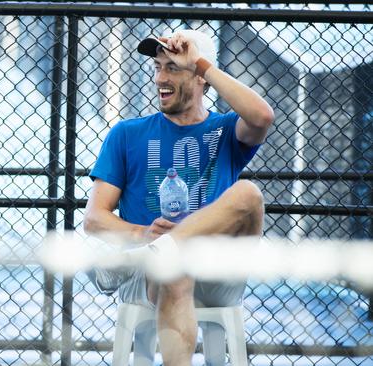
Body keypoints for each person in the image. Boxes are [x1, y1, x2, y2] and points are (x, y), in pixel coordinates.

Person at [83, 29, 275, 366]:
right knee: (173, 263)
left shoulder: (227, 130)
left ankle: (160, 251)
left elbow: (262, 117)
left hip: (218, 269)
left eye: (173, 67)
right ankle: (160, 251)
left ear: (201, 78)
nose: (160, 77)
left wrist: (200, 63)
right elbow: (95, 219)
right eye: (157, 67)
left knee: (248, 193)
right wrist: (141, 234)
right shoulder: (127, 134)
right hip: (151, 278)